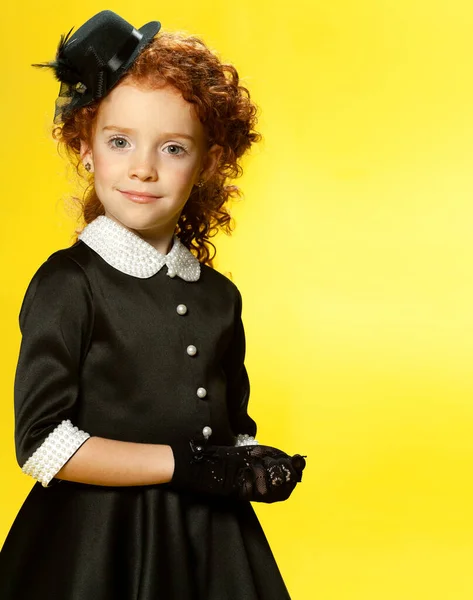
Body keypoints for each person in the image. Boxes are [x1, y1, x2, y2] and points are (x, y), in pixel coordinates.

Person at [0, 10, 306, 599]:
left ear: (210, 162)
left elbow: (229, 421)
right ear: (85, 149)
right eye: (120, 142)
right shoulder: (70, 284)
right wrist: (185, 466)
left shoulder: (219, 297)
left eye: (172, 147)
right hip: (95, 545)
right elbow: (41, 444)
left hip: (210, 541)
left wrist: (252, 463)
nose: (143, 167)